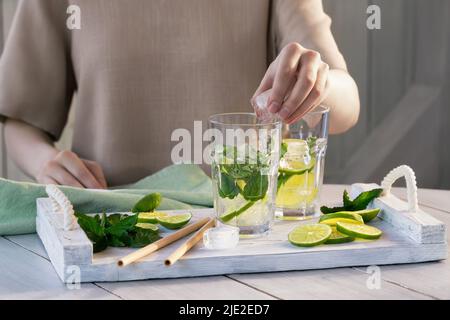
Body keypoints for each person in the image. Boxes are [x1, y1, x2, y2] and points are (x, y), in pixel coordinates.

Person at [0, 0, 359, 188]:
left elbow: (347, 107)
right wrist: (44, 163)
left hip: (238, 222)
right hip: (107, 225)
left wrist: (316, 82)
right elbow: (20, 117)